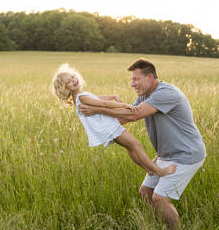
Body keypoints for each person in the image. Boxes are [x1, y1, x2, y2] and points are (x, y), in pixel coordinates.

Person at [79, 59, 206, 229]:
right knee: (146, 192)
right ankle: (161, 225)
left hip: (186, 155)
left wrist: (98, 109)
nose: (132, 84)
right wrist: (90, 113)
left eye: (135, 79)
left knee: (159, 198)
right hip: (166, 155)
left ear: (150, 77)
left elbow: (134, 115)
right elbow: (124, 116)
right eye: (132, 80)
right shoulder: (145, 95)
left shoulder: (166, 93)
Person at [51, 63, 177, 177]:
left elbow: (97, 99)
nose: (73, 80)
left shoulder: (79, 96)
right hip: (110, 127)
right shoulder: (81, 97)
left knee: (130, 147)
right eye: (68, 81)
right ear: (65, 88)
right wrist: (124, 105)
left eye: (72, 77)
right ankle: (159, 171)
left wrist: (112, 96)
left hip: (107, 128)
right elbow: (103, 105)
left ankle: (148, 168)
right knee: (136, 145)